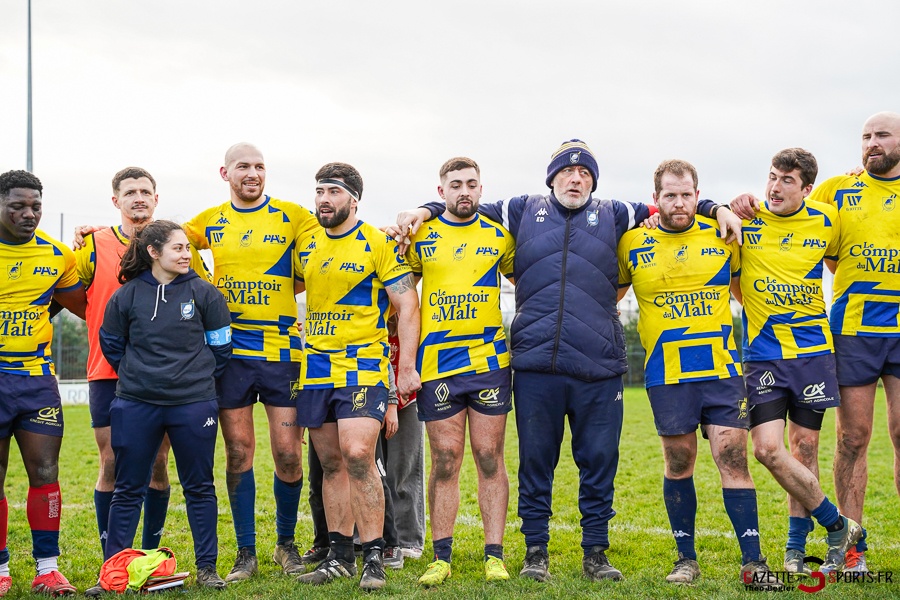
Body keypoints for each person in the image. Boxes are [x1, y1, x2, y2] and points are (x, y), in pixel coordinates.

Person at [391, 140, 744, 582]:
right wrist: (422, 210)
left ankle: (595, 552)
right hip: (537, 365)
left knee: (599, 461)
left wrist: (719, 207)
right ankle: (535, 551)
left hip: (599, 366)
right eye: (567, 172)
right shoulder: (519, 210)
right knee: (536, 463)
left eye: (585, 174)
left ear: (593, 181)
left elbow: (676, 205)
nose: (576, 179)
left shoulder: (617, 213)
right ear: (552, 177)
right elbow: (461, 203)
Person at [729, 112, 900, 572]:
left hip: (837, 344)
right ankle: (846, 546)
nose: (872, 142)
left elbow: (822, 249)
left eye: (882, 134)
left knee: (892, 435)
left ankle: (833, 543)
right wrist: (731, 204)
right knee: (848, 439)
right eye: (866, 136)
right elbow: (757, 262)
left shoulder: (828, 209)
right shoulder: (831, 193)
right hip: (843, 334)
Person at [616, 160, 780, 589]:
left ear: (697, 195)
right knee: (679, 460)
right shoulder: (632, 243)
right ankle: (685, 559)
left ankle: (753, 561)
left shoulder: (724, 234)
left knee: (732, 457)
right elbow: (610, 298)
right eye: (669, 195)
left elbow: (749, 293)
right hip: (666, 373)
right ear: (656, 200)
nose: (679, 203)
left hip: (722, 370)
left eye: (686, 194)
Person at [181, 143, 319, 580]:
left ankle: (285, 544)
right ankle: (246, 552)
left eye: (260, 166)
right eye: (244, 166)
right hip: (230, 356)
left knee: (288, 455)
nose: (253, 173)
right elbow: (162, 240)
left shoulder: (295, 216)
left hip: (282, 354)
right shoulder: (208, 221)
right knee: (239, 451)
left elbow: (338, 239)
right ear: (226, 172)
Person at [731, 149, 860, 574]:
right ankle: (838, 524)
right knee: (768, 449)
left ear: (807, 188)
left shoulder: (828, 219)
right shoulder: (745, 219)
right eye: (772, 176)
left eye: (788, 180)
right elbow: (734, 281)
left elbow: (846, 254)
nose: (776, 186)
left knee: (804, 449)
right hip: (763, 354)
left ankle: (794, 550)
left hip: (812, 353)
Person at [295, 163, 419, 590]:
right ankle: (339, 556)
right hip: (314, 369)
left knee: (359, 455)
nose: (324, 198)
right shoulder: (306, 242)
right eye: (319, 191)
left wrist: (404, 371)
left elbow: (407, 306)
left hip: (363, 367)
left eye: (334, 191)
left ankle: (374, 558)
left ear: (353, 199)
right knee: (331, 464)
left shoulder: (378, 243)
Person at [74, 167, 210, 556]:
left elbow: (199, 302)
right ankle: (113, 558)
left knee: (158, 463)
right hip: (107, 371)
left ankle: (148, 554)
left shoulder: (179, 247)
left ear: (156, 198)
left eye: (146, 191)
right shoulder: (92, 245)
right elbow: (69, 294)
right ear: (115, 200)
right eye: (130, 192)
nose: (139, 197)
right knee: (112, 462)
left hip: (166, 378)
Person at [93, 220, 231, 591]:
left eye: (188, 248)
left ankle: (207, 569)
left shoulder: (206, 293)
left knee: (200, 487)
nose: (187, 254)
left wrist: (191, 380)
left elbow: (221, 349)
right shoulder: (126, 296)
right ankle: (115, 573)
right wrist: (142, 377)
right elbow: (112, 345)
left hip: (193, 404)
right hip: (137, 404)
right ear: (154, 253)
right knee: (127, 488)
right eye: (178, 248)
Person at [405, 157, 515, 586]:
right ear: (441, 192)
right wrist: (406, 363)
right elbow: (401, 299)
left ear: (481, 190)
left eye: (471, 183)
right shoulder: (420, 234)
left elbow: (530, 279)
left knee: (490, 457)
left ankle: (494, 555)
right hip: (438, 366)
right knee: (445, 461)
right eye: (455, 184)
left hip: (489, 364)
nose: (463, 190)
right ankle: (441, 556)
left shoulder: (499, 236)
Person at [0, 170, 86, 596]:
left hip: (35, 380)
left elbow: (87, 306)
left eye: (35, 206)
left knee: (46, 471)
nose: (29, 214)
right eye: (17, 205)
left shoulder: (57, 257)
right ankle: (0, 569)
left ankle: (47, 569)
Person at [384, 312, 426, 560]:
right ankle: (364, 535)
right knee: (370, 468)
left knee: (404, 467)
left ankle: (408, 537)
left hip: (407, 395)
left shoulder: (412, 314)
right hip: (369, 391)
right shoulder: (368, 304)